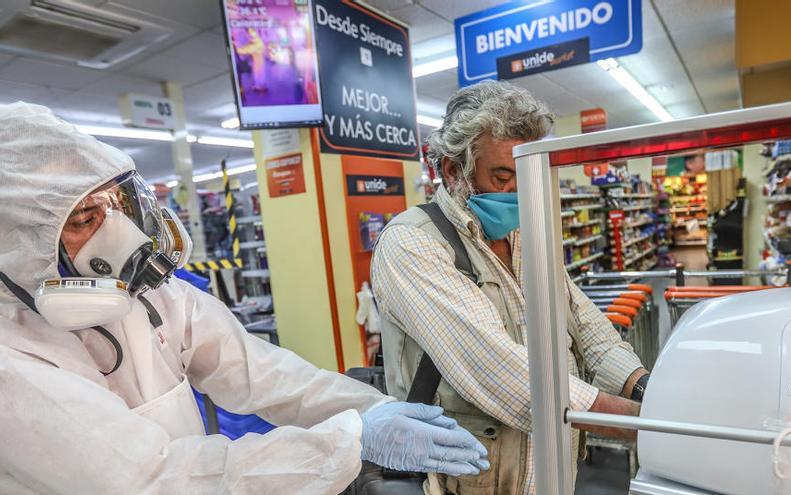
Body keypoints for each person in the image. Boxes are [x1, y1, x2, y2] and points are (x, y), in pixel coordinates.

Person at [0, 102, 488, 494]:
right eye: (86, 219)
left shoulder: (148, 295)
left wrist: (375, 411)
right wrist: (350, 442)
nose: (121, 235)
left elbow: (264, 374)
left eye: (117, 206)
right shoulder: (11, 363)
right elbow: (148, 479)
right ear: (21, 244)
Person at [371, 81, 648, 495]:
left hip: (548, 468)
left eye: (527, 176)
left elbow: (584, 325)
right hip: (467, 480)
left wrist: (646, 387)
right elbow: (500, 370)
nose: (518, 193)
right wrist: (638, 424)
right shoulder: (412, 244)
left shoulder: (526, 236)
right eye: (503, 176)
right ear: (453, 170)